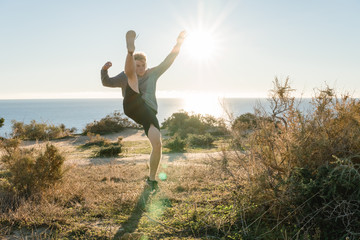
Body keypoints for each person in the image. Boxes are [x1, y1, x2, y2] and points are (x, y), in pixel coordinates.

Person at [101, 30, 186, 191]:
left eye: (142, 66)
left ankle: (152, 179)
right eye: (137, 65)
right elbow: (107, 82)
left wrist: (179, 42)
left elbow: (169, 60)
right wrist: (104, 70)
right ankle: (130, 51)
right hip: (132, 105)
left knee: (157, 144)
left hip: (148, 113)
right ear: (134, 64)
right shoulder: (127, 74)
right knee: (131, 78)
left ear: (146, 66)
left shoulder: (152, 73)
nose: (140, 68)